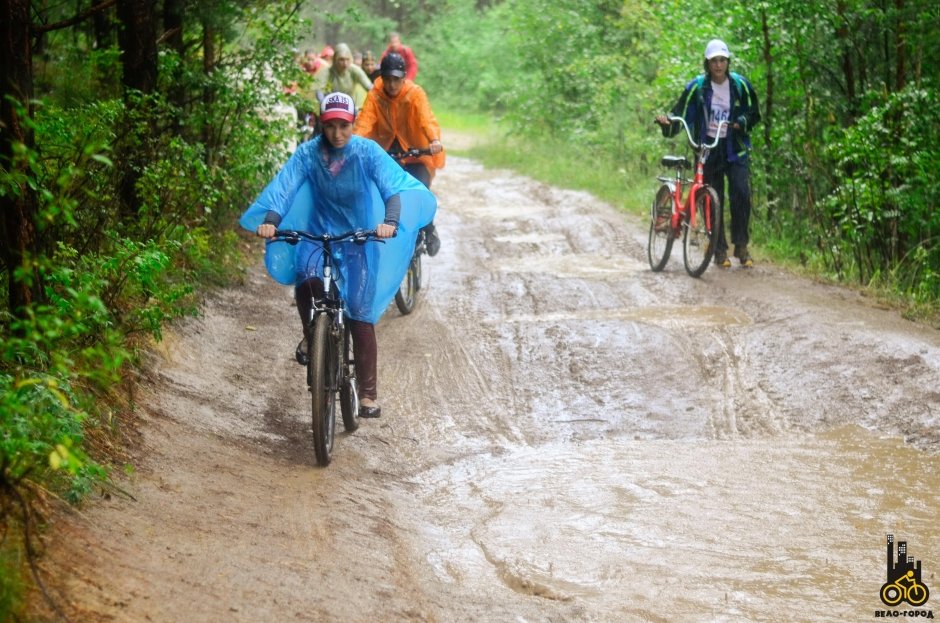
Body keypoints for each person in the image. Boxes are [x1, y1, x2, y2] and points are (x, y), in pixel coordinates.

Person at [240, 92, 436, 419]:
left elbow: (392, 188)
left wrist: (389, 223)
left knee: (359, 313)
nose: (337, 133)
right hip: (319, 234)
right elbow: (283, 189)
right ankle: (311, 335)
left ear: (352, 123)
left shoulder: (367, 152)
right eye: (330, 126)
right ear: (321, 123)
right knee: (306, 277)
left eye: (343, 125)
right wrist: (272, 222)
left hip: (359, 238)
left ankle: (369, 394)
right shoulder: (308, 154)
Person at [655, 39, 761, 268]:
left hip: (735, 149)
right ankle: (718, 250)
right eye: (714, 61)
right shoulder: (697, 87)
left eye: (722, 60)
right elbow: (679, 115)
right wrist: (666, 125)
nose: (719, 65)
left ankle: (741, 246)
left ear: (728, 62)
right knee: (712, 200)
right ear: (707, 63)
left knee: (741, 194)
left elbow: (754, 113)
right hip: (707, 149)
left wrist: (741, 122)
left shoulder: (741, 85)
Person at [354, 52, 444, 256]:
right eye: (387, 79)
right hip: (386, 155)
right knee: (378, 193)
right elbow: (364, 123)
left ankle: (429, 229)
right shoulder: (376, 95)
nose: (392, 84)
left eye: (396, 79)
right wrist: (354, 145)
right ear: (381, 78)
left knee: (419, 190)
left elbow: (426, 119)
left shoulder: (415, 94)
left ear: (404, 78)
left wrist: (434, 141)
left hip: (415, 152)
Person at [313, 43, 373, 109]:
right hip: (330, 107)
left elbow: (369, 87)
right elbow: (319, 91)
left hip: (350, 107)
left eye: (347, 59)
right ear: (335, 59)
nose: (345, 63)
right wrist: (323, 105)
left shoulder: (354, 70)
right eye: (341, 60)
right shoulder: (327, 71)